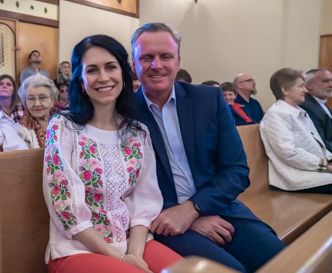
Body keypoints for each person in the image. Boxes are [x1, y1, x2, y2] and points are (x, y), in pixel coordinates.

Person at [131, 22, 284, 273]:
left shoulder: (207, 99)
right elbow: (122, 190)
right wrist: (182, 217)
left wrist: (193, 209)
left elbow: (236, 170)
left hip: (219, 207)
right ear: (134, 64)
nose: (156, 65)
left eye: (165, 56)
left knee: (283, 263)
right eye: (146, 57)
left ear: (178, 62)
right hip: (161, 221)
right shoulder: (122, 112)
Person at [43, 34, 182, 273]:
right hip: (77, 248)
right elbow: (64, 204)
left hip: (133, 243)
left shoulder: (137, 133)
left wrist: (134, 254)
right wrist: (119, 260)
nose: (104, 77)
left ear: (123, 74)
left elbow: (144, 199)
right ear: (80, 80)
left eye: (110, 67)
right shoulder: (63, 127)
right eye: (92, 70)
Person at [260, 67, 332, 192]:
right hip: (297, 177)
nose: (305, 90)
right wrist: (326, 166)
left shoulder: (299, 111)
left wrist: (328, 161)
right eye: (301, 86)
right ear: (285, 90)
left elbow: (314, 145)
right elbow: (289, 153)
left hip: (313, 169)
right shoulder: (276, 114)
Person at [17, 74, 57, 149]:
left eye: (42, 97)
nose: (37, 104)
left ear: (52, 101)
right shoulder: (20, 131)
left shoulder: (62, 124)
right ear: (25, 102)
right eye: (31, 98)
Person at [300, 68, 332, 153]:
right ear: (309, 85)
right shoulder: (306, 106)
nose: (331, 84)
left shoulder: (319, 101)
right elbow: (320, 143)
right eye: (326, 81)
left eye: (331, 80)